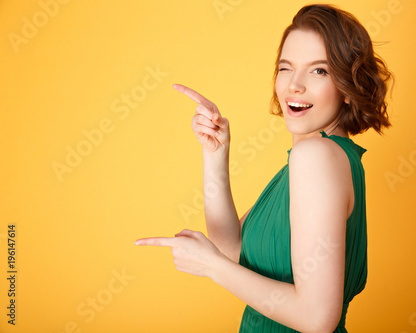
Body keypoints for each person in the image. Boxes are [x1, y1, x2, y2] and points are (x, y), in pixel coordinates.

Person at [134, 4, 393, 332]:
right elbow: (232, 250)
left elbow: (317, 318)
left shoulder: (315, 157)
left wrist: (209, 266)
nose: (294, 85)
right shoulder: (327, 158)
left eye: (319, 71)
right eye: (286, 68)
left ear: (347, 86)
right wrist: (216, 153)